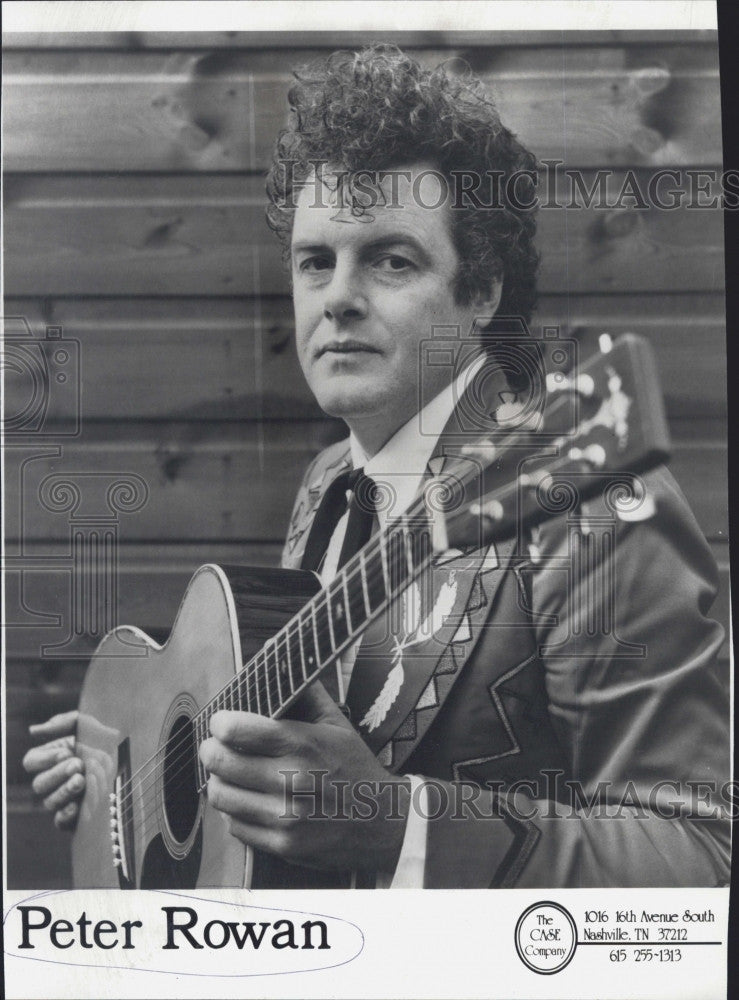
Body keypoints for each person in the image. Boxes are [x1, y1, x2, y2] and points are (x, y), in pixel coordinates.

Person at [23, 45, 730, 888]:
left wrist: (403, 829)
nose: (338, 298)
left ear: (482, 290)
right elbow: (285, 767)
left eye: (391, 259)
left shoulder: (590, 499)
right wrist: (128, 782)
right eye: (315, 260)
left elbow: (700, 857)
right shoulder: (328, 483)